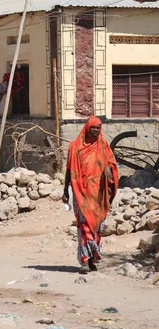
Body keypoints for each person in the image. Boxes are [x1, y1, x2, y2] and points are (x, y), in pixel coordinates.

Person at [63, 116, 118, 274]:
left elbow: (112, 163)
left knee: (97, 226)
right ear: (87, 128)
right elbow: (69, 169)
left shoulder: (103, 145)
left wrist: (109, 167)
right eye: (93, 127)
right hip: (81, 192)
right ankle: (85, 261)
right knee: (84, 226)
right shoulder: (75, 146)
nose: (96, 130)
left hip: (99, 194)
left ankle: (93, 258)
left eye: (98, 128)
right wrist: (65, 190)